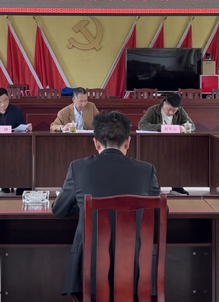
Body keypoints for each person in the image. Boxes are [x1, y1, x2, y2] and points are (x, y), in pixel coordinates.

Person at [52, 111, 160, 296]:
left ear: (95, 142)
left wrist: (79, 203)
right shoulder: (146, 171)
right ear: (128, 142)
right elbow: (159, 215)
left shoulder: (78, 168)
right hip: (137, 275)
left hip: (90, 276)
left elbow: (60, 210)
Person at [137, 93, 194, 195]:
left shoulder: (180, 111)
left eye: (174, 111)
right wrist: (160, 127)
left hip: (175, 144)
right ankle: (156, 187)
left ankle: (177, 187)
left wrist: (184, 128)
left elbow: (191, 125)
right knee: (156, 161)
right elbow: (142, 125)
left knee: (178, 160)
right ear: (164, 104)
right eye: (169, 109)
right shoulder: (153, 110)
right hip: (156, 144)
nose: (171, 113)